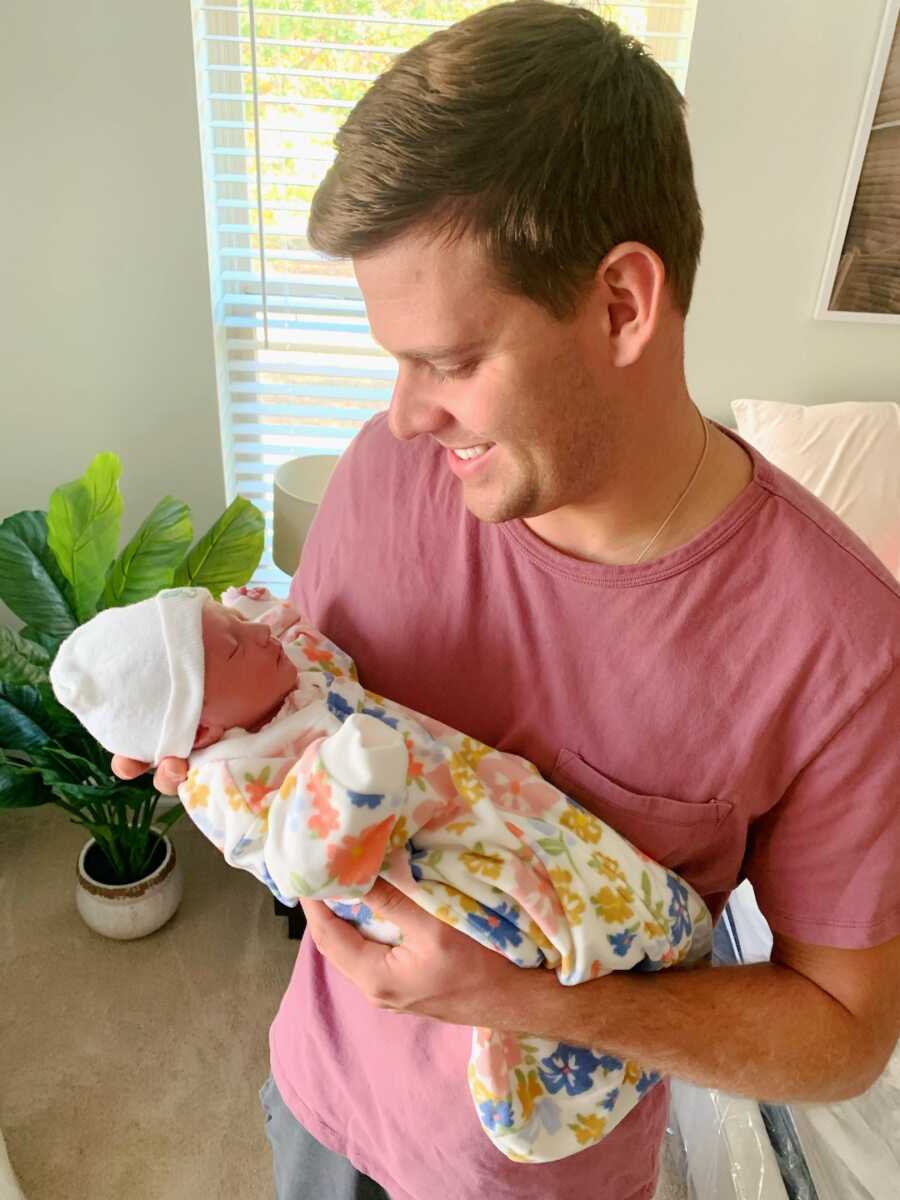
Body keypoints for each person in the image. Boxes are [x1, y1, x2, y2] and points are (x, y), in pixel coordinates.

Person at [114, 3, 900, 1199]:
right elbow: (307, 727)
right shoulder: (390, 474)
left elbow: (843, 1036)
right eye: (395, 357)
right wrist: (218, 735)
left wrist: (523, 999)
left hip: (539, 1176)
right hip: (319, 1100)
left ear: (623, 306)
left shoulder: (844, 648)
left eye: (449, 359)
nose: (401, 415)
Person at [53, 583, 713, 1162]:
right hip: (415, 856)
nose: (257, 640)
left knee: (557, 838)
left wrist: (250, 618)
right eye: (233, 648)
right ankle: (568, 1056)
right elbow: (306, 864)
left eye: (240, 629)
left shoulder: (272, 681)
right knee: (531, 912)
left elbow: (303, 645)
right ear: (200, 733)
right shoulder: (234, 781)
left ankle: (647, 945)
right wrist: (352, 779)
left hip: (462, 782)